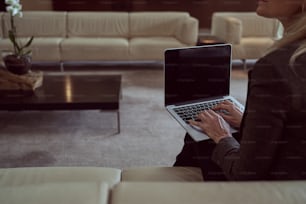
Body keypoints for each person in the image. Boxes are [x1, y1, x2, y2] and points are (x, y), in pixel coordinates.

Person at [174, 0, 306, 180]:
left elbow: (245, 173)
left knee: (203, 130)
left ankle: (173, 187)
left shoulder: (276, 67)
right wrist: (248, 121)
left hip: (273, 184)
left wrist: (222, 136)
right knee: (207, 121)